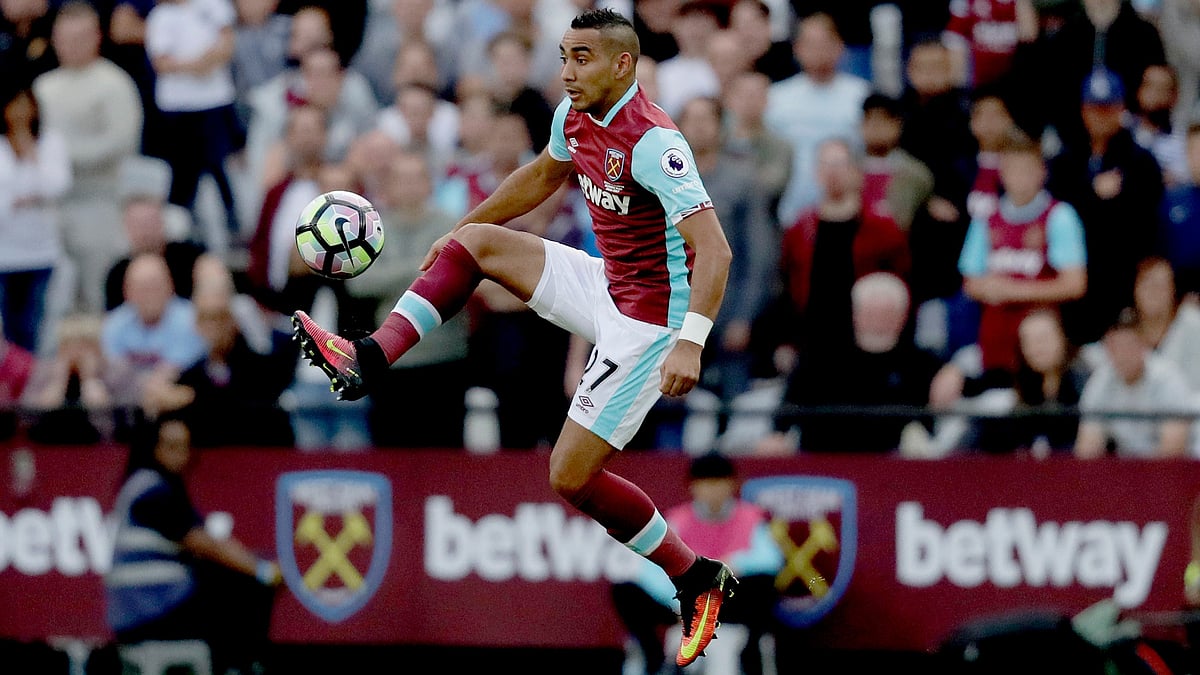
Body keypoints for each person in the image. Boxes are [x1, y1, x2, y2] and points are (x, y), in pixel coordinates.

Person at [291, 9, 738, 667]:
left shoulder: (654, 142)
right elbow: (539, 177)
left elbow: (716, 251)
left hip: (651, 325)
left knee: (570, 476)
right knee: (476, 243)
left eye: (582, 58)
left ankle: (694, 575)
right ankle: (367, 357)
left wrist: (691, 343)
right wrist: (458, 230)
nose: (567, 72)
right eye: (563, 57)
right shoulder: (574, 115)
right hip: (606, 284)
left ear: (623, 64)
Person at [105, 412, 280, 674]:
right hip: (148, 612)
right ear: (154, 448)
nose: (181, 456)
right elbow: (205, 543)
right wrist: (263, 571)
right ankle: (243, 666)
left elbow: (209, 538)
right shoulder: (153, 492)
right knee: (241, 586)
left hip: (144, 610)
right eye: (172, 447)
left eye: (185, 447)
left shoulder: (146, 486)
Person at [612, 452, 783, 675]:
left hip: (727, 602)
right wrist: (679, 603)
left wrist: (730, 565)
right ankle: (652, 655)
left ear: (733, 484)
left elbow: (771, 560)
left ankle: (750, 652)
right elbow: (649, 571)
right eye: (706, 484)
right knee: (625, 591)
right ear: (692, 487)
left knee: (764, 585)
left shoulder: (750, 517)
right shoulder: (677, 520)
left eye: (719, 483)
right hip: (684, 602)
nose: (712, 491)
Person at [1074, 308, 1197, 459]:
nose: (1124, 354)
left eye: (1130, 345)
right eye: (1117, 347)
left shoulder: (1167, 379)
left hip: (1176, 467)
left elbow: (1173, 451)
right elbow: (1087, 450)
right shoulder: (1101, 381)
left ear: (1143, 344)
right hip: (1126, 466)